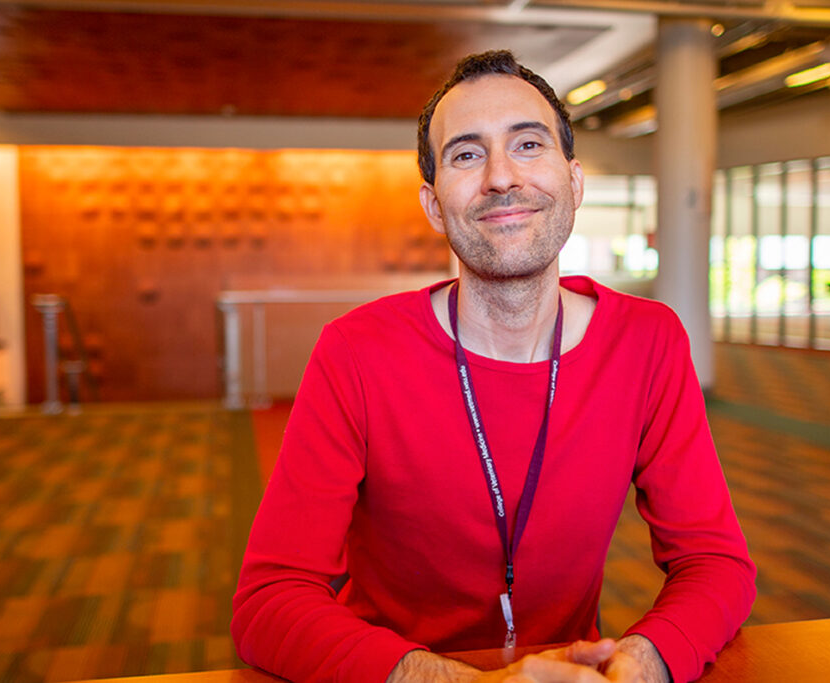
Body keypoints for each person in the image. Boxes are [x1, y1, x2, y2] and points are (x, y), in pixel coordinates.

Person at [232, 50, 755, 683]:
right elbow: (270, 599)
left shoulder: (647, 342)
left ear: (575, 182)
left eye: (529, 145)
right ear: (433, 205)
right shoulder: (356, 351)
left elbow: (716, 562)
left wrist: (641, 663)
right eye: (467, 154)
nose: (502, 177)